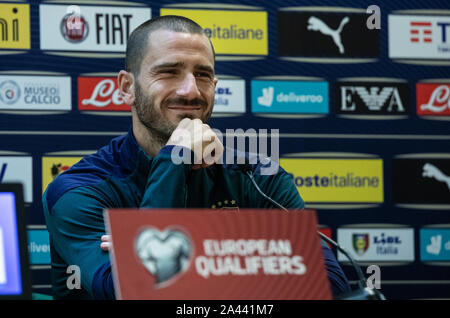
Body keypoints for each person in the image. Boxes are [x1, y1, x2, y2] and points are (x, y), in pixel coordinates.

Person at [43, 15, 351, 300]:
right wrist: (174, 160)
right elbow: (143, 291)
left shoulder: (257, 175)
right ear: (127, 87)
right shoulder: (79, 190)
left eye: (203, 75)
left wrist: (200, 252)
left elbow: (331, 287)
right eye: (168, 72)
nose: (191, 91)